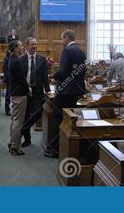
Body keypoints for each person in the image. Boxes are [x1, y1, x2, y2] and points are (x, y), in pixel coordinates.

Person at [46, 30, 86, 158]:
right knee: (70, 119)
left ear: (67, 37)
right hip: (75, 91)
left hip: (64, 91)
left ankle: (57, 149)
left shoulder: (67, 51)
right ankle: (67, 149)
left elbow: (62, 71)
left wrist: (53, 76)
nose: (61, 41)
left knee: (59, 119)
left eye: (62, 38)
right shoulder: (80, 51)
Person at [21, 37, 51, 147]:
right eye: (32, 44)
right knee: (25, 115)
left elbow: (44, 77)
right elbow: (21, 77)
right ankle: (27, 139)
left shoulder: (41, 59)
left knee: (37, 112)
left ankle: (23, 128)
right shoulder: (22, 59)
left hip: (38, 90)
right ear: (27, 46)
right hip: (25, 90)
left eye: (36, 44)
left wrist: (47, 91)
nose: (34, 46)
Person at [7, 40, 30, 156]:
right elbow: (21, 79)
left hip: (14, 93)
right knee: (18, 122)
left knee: (14, 119)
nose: (23, 47)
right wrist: (28, 89)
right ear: (16, 48)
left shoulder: (12, 58)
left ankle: (12, 143)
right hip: (19, 94)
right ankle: (15, 146)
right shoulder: (16, 61)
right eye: (21, 46)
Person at [3, 49, 12, 116]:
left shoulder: (12, 58)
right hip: (9, 78)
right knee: (8, 95)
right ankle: (7, 110)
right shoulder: (7, 58)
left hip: (13, 78)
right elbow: (5, 69)